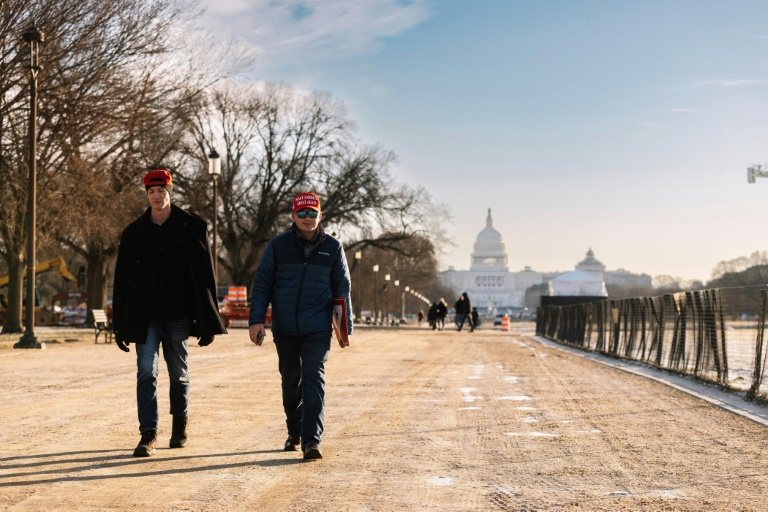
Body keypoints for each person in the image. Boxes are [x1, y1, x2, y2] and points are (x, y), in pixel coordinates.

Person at [112, 169, 227, 457]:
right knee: (146, 372)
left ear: (169, 191)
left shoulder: (191, 227)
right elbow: (122, 280)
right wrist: (120, 325)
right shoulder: (133, 233)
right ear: (146, 194)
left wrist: (208, 321)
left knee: (179, 374)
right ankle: (148, 433)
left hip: (178, 314)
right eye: (151, 192)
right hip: (146, 316)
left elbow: (205, 277)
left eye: (161, 190)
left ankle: (179, 425)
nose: (156, 196)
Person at [248, 192, 353, 461]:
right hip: (285, 327)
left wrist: (344, 328)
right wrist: (256, 320)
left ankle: (311, 441)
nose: (308, 218)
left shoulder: (333, 248)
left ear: (320, 215)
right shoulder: (278, 246)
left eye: (312, 213)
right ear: (293, 216)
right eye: (302, 213)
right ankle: (294, 432)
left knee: (314, 378)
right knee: (290, 381)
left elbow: (342, 289)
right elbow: (262, 285)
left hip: (318, 327)